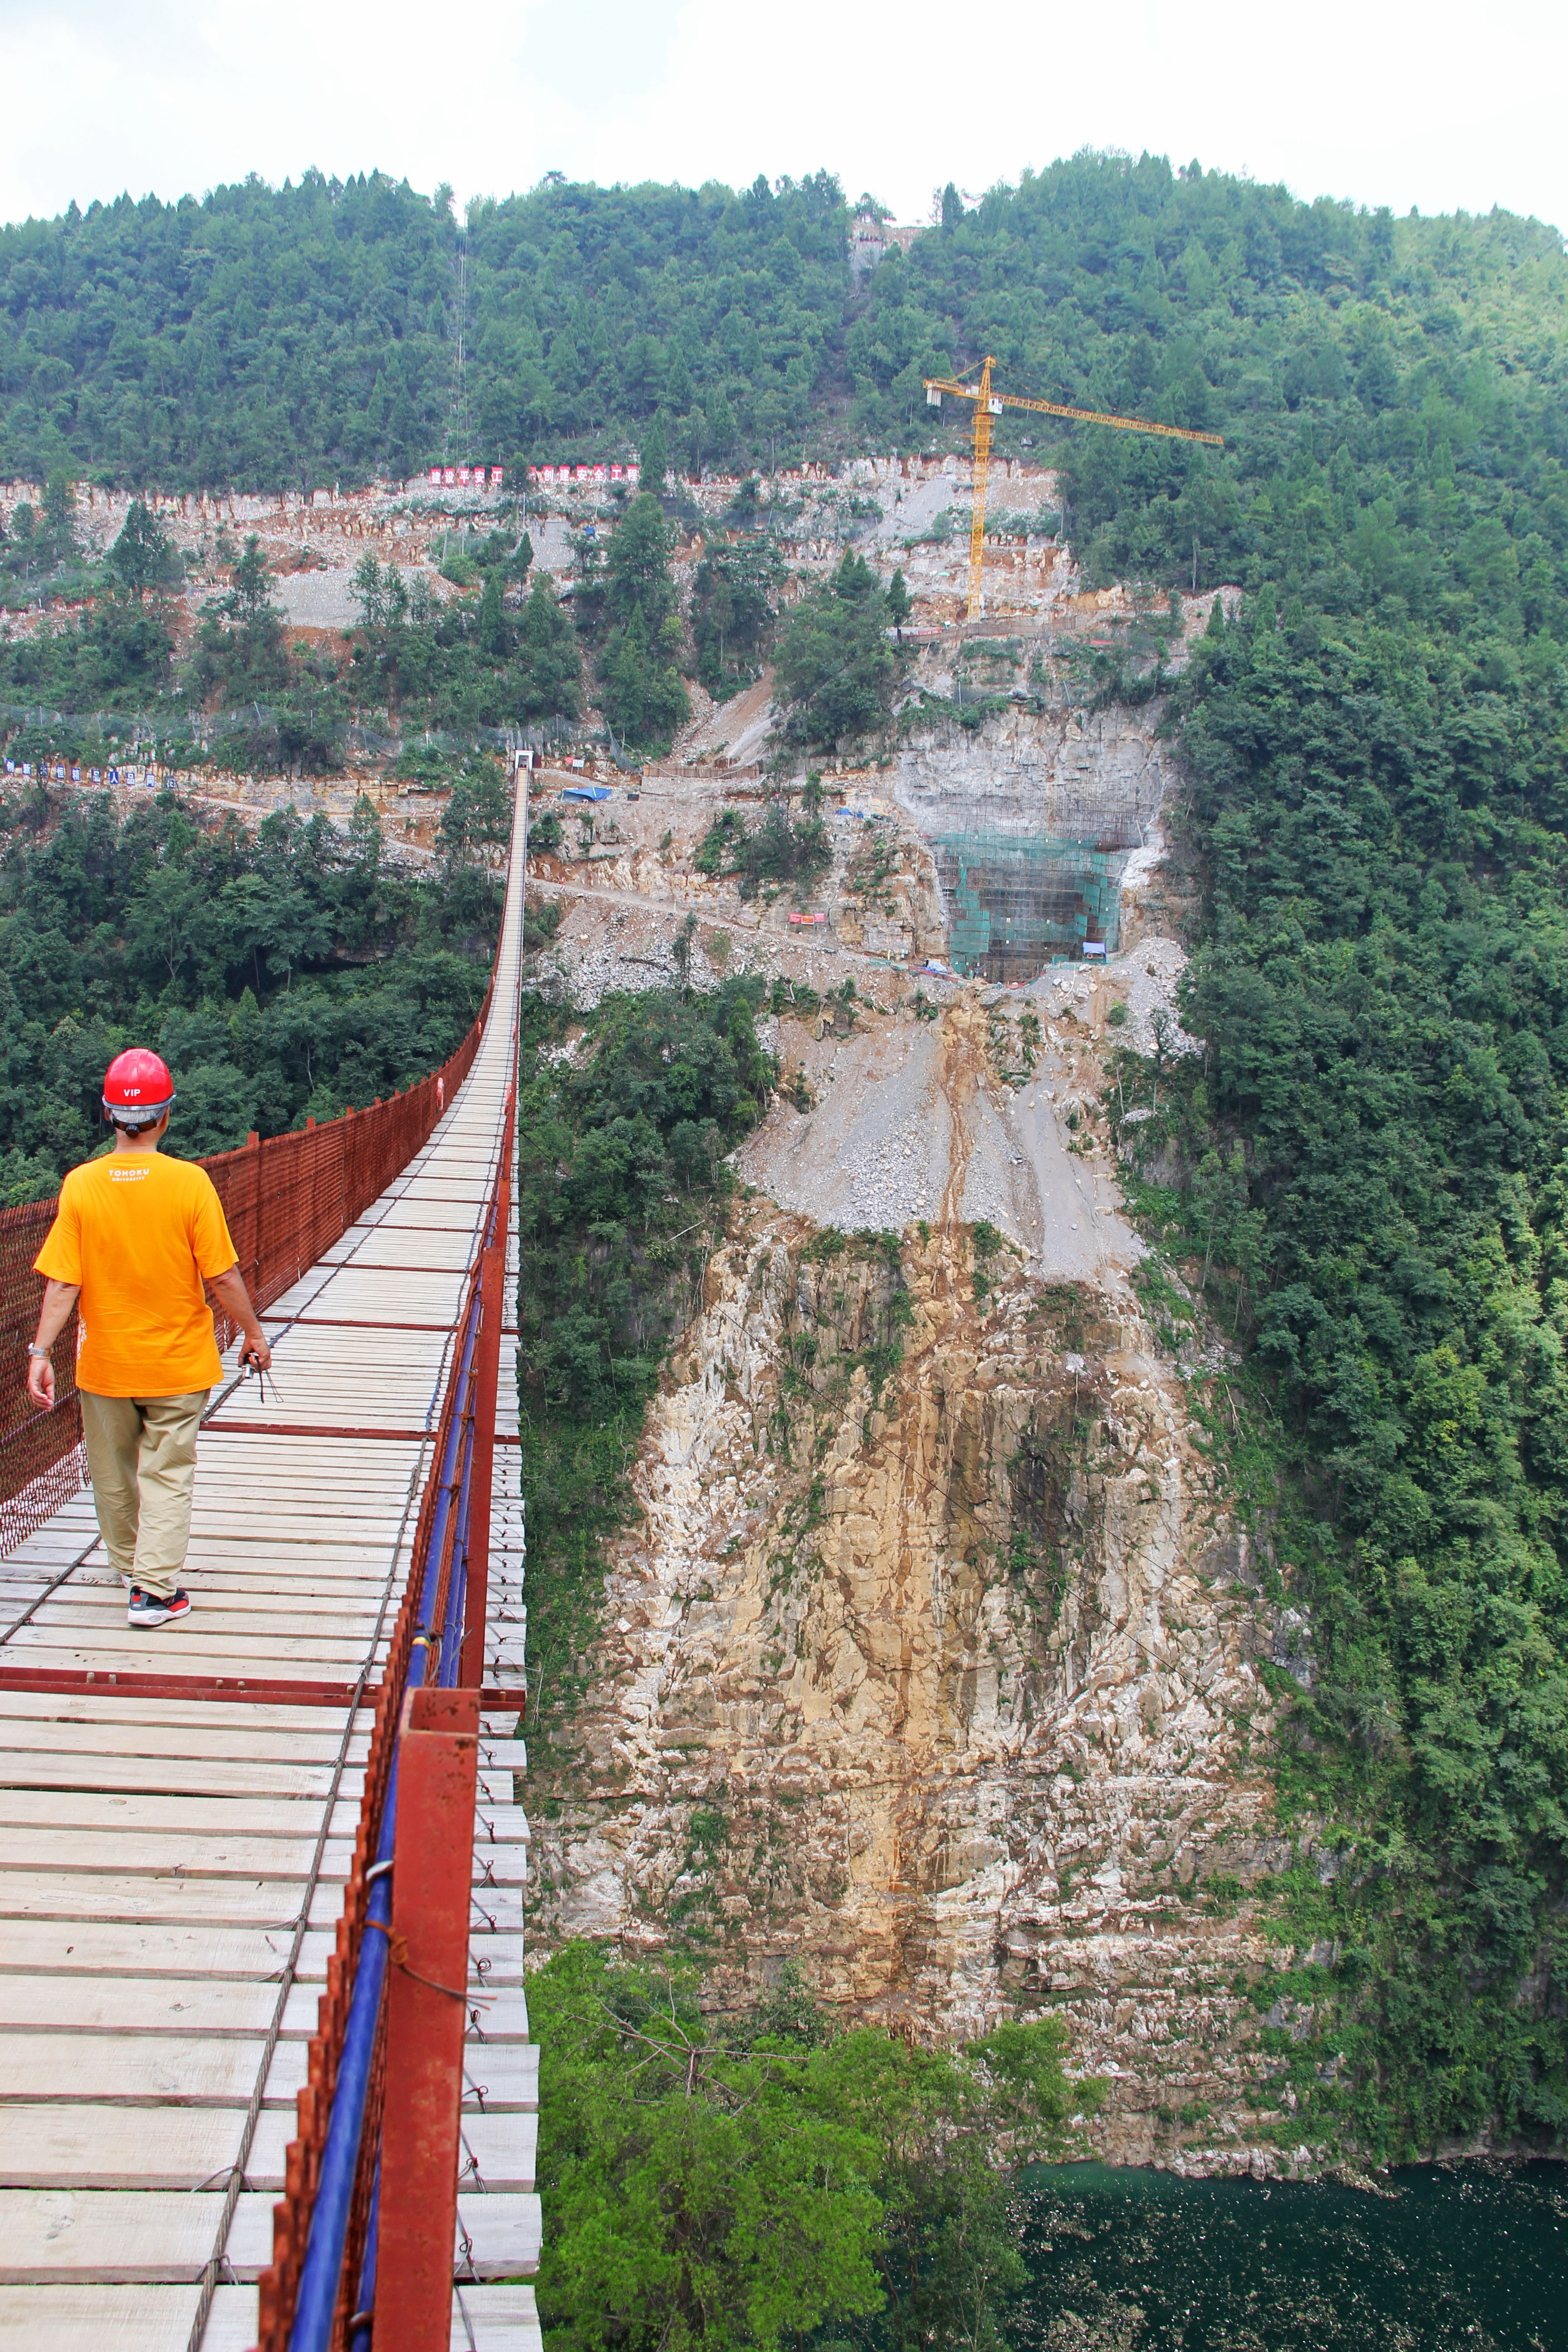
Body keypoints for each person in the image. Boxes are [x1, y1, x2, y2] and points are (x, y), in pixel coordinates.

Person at [26, 1049, 273, 1629]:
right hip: (177, 1364)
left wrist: (41, 1352)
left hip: (105, 1365)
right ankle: (154, 1591)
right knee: (167, 1472)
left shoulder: (80, 1186)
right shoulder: (190, 1183)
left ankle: (130, 1568)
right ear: (165, 1117)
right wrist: (254, 1333)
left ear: (110, 1116)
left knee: (112, 1473)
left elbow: (64, 1281)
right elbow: (222, 1276)